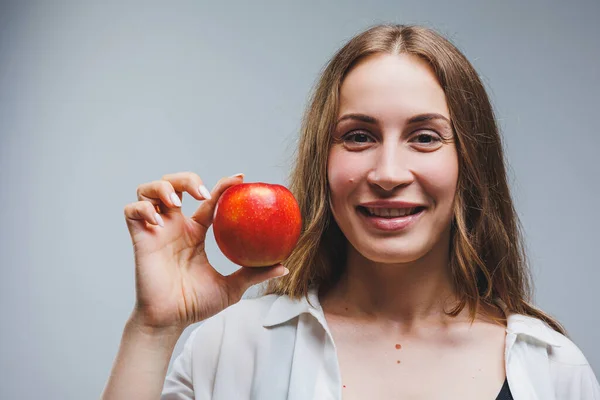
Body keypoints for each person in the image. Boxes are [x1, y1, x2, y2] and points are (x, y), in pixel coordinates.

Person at [101, 24, 600, 399]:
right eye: (358, 136)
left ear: (470, 162)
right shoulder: (231, 346)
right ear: (324, 159)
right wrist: (154, 328)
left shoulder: (554, 371)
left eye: (424, 137)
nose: (387, 172)